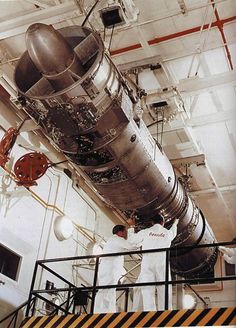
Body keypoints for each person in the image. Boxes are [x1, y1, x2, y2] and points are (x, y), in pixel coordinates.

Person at [128, 215, 179, 311]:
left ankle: (149, 311)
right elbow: (173, 232)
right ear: (163, 223)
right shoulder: (167, 233)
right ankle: (165, 312)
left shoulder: (146, 232)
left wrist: (131, 227)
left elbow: (131, 241)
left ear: (152, 222)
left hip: (148, 262)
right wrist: (175, 222)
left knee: (147, 289)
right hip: (162, 264)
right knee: (164, 288)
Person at [93, 224, 138, 313]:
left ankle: (104, 312)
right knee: (107, 292)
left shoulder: (113, 241)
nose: (126, 235)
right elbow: (131, 246)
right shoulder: (117, 240)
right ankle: (102, 312)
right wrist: (133, 230)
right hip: (109, 270)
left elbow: (129, 249)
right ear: (120, 233)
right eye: (125, 232)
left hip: (107, 270)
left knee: (107, 291)